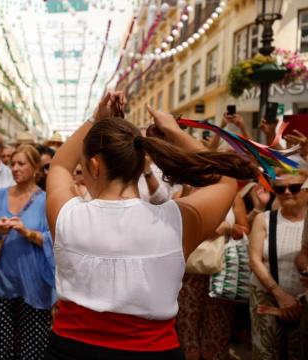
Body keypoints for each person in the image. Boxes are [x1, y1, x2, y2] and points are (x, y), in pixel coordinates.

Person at [44, 92, 258, 359]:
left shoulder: (68, 216)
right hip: (153, 352)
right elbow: (224, 179)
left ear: (94, 166)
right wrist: (173, 132)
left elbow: (61, 166)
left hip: (70, 350)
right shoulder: (174, 222)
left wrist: (96, 119)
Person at [0, 144, 56, 359]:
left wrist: (27, 232)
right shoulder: (0, 195)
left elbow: (54, 240)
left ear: (36, 167)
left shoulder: (46, 200)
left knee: (32, 347)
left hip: (34, 285)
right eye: (13, 164)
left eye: (22, 164)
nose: (15, 168)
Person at [176, 193, 249, 360]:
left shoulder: (233, 196)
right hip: (189, 271)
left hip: (221, 272)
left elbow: (245, 229)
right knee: (187, 326)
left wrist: (228, 228)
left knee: (218, 329)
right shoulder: (186, 191)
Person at [249, 171, 307, 359]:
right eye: (280, 189)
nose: (287, 192)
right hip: (267, 295)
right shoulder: (264, 219)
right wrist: (280, 295)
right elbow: (254, 260)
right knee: (266, 353)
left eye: (295, 187)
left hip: (303, 301)